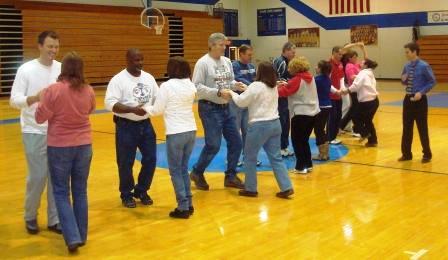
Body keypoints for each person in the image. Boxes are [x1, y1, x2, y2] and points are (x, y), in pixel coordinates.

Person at [35, 52, 95, 253]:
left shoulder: (53, 90)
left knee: (61, 191)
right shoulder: (88, 90)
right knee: (80, 191)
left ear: (64, 69)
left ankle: (72, 237)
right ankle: (82, 235)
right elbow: (90, 110)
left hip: (60, 146)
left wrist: (43, 101)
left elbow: (40, 118)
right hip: (84, 146)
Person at [9, 30, 61, 235]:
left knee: (57, 177)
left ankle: (55, 219)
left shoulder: (62, 68)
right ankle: (30, 215)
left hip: (58, 131)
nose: (53, 51)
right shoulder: (26, 70)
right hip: (34, 130)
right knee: (38, 176)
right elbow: (14, 100)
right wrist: (34, 98)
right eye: (50, 46)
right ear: (40, 46)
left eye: (56, 47)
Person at [222, 62, 294, 199]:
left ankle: (250, 188)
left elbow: (241, 102)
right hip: (275, 124)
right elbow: (258, 93)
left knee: (249, 157)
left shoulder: (256, 86)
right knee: (276, 158)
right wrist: (247, 88)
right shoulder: (272, 86)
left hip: (259, 126)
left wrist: (231, 92)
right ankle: (286, 187)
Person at [189, 32, 247, 191]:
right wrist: (218, 93)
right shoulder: (203, 63)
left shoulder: (227, 61)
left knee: (236, 142)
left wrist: (236, 85)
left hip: (226, 107)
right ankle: (197, 172)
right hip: (209, 108)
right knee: (213, 145)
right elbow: (197, 87)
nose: (224, 47)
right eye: (221, 45)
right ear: (212, 45)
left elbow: (229, 81)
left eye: (224, 45)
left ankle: (230, 176)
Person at [143, 57, 196, 219]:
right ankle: (189, 202)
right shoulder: (190, 84)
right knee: (183, 169)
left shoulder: (166, 86)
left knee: (175, 171)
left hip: (175, 132)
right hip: (191, 130)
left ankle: (182, 206)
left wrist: (144, 108)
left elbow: (158, 109)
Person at [104, 48, 158, 208]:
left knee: (151, 159)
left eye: (141, 59)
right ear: (127, 60)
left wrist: (155, 107)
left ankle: (141, 190)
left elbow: (158, 97)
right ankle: (126, 193)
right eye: (136, 60)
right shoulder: (118, 80)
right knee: (125, 162)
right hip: (126, 126)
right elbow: (110, 103)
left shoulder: (148, 78)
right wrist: (132, 109)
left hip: (146, 125)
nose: (139, 63)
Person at [278, 57, 320, 174]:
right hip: (312, 113)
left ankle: (300, 166)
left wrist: (273, 89)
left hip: (300, 114)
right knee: (304, 140)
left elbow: (284, 92)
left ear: (295, 68)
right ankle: (308, 163)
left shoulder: (296, 80)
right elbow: (294, 87)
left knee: (296, 140)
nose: (289, 69)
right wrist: (287, 84)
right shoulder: (310, 77)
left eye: (290, 67)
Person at [399, 42, 436, 163]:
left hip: (420, 101)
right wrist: (403, 80)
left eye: (407, 52)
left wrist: (421, 92)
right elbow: (405, 83)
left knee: (422, 128)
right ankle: (406, 154)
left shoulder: (424, 66)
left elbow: (432, 82)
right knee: (407, 128)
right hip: (408, 100)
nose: (406, 54)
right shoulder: (406, 66)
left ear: (414, 52)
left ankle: (427, 154)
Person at [231, 44, 260, 167]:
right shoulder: (234, 66)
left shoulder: (252, 66)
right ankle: (234, 158)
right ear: (241, 54)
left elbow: (255, 80)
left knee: (248, 132)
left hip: (248, 103)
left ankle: (248, 157)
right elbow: (238, 79)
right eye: (248, 55)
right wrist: (251, 87)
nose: (250, 57)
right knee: (235, 132)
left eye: (251, 55)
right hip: (237, 103)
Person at [341, 59, 379, 147]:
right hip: (374, 101)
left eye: (362, 62)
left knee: (355, 117)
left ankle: (365, 133)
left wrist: (347, 90)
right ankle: (373, 141)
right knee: (368, 121)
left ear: (365, 65)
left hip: (367, 102)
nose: (359, 63)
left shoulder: (363, 73)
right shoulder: (369, 73)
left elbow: (356, 85)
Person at [273, 42, 296, 157]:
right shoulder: (280, 62)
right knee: (282, 121)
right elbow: (279, 80)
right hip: (280, 96)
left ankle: (284, 146)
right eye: (292, 51)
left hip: (286, 96)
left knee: (286, 122)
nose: (294, 54)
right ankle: (280, 147)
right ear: (286, 50)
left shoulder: (287, 62)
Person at [340, 42, 368, 136]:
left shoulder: (355, 65)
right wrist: (355, 44)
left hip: (358, 91)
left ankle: (342, 126)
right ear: (350, 58)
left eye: (357, 57)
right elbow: (352, 77)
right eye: (354, 57)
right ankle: (355, 129)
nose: (356, 59)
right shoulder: (348, 65)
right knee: (355, 110)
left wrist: (363, 48)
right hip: (353, 90)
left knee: (353, 109)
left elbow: (366, 61)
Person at [312, 60, 333, 161]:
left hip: (321, 107)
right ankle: (325, 152)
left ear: (320, 69)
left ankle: (322, 154)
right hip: (328, 106)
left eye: (317, 66)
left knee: (318, 130)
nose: (315, 67)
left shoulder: (317, 80)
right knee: (321, 129)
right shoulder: (328, 79)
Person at [328, 46, 345, 145]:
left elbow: (341, 77)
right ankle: (330, 137)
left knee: (338, 115)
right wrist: (335, 91)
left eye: (342, 54)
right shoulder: (329, 64)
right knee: (332, 117)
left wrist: (342, 88)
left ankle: (334, 136)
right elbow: (327, 81)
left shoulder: (340, 64)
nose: (341, 56)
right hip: (331, 95)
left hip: (338, 95)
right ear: (334, 53)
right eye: (339, 54)